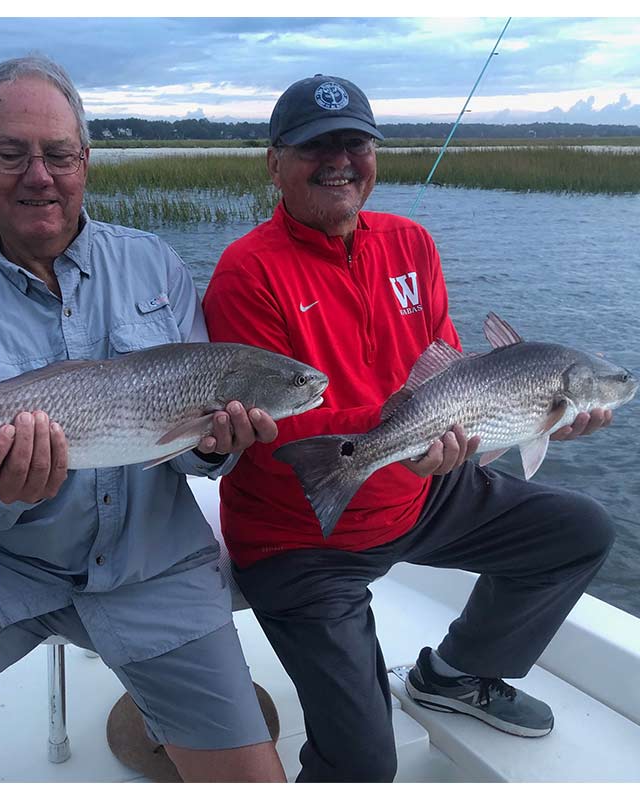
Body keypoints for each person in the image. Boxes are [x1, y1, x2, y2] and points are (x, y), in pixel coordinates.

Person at [0, 55, 286, 783]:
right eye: (12, 154)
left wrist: (214, 449)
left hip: (155, 562)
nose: (38, 175)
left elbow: (188, 450)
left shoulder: (157, 267)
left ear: (86, 161)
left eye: (57, 154)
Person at [202, 74, 617, 782]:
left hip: (424, 491)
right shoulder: (247, 275)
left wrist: (526, 419)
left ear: (374, 154)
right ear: (275, 162)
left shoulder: (413, 245)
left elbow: (448, 371)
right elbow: (269, 443)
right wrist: (414, 434)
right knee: (364, 763)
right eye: (315, 146)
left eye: (355, 143)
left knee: (579, 532)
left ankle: (456, 673)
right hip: (301, 538)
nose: (340, 159)